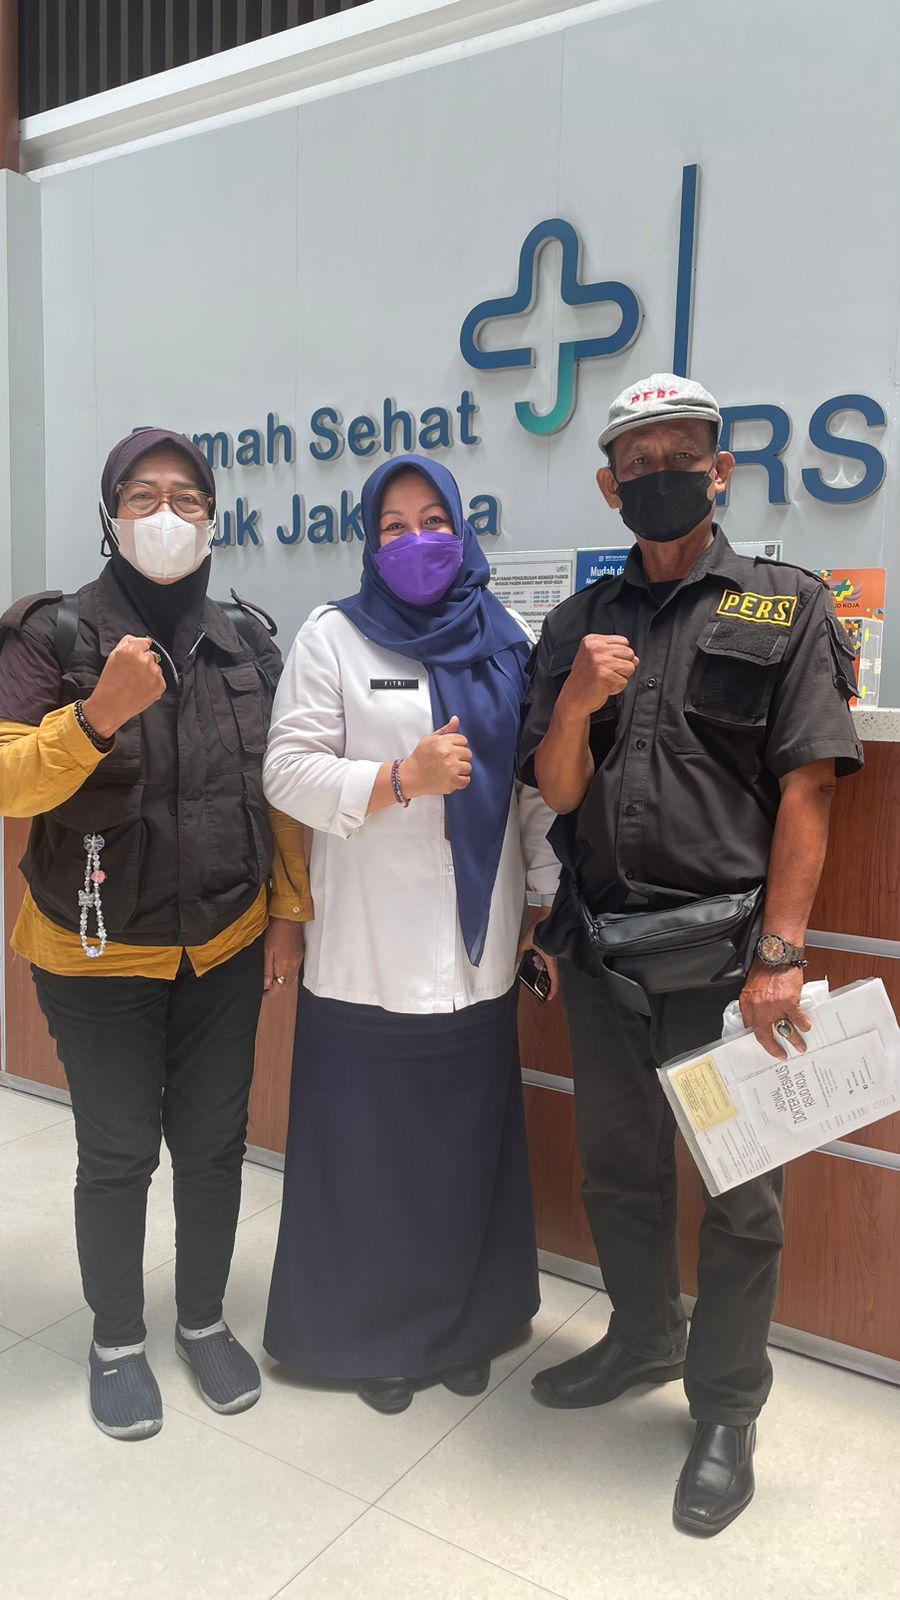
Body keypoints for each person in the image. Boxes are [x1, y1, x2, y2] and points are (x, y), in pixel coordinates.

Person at [519, 374, 863, 1535]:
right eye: (638, 463)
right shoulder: (577, 624)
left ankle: (724, 1409)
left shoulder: (785, 606)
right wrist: (576, 700)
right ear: (608, 487)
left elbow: (809, 789)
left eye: (682, 458)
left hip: (727, 968)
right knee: (618, 1170)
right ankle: (640, 1338)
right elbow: (558, 788)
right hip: (605, 956)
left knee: (741, 1195)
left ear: (720, 472)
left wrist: (781, 952)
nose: (659, 476)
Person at [0, 428, 312, 1440]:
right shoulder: (50, 634)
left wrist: (288, 913)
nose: (166, 514)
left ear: (214, 517)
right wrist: (95, 716)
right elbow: (7, 779)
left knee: (215, 1145)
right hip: (95, 951)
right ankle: (116, 1338)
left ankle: (204, 1321)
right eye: (142, 495)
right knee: (119, 1149)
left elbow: (278, 789)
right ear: (110, 514)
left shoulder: (248, 640)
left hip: (226, 939)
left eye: (187, 497)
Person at [261, 453, 559, 1413]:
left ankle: (466, 1325)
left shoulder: (508, 637)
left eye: (434, 520)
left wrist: (542, 902)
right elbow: (286, 771)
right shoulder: (332, 636)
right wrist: (399, 780)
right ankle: (372, 1338)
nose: (417, 540)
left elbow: (529, 791)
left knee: (465, 1150)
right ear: (369, 541)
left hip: (478, 949)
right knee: (372, 1155)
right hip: (370, 953)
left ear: (463, 530)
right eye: (394, 526)